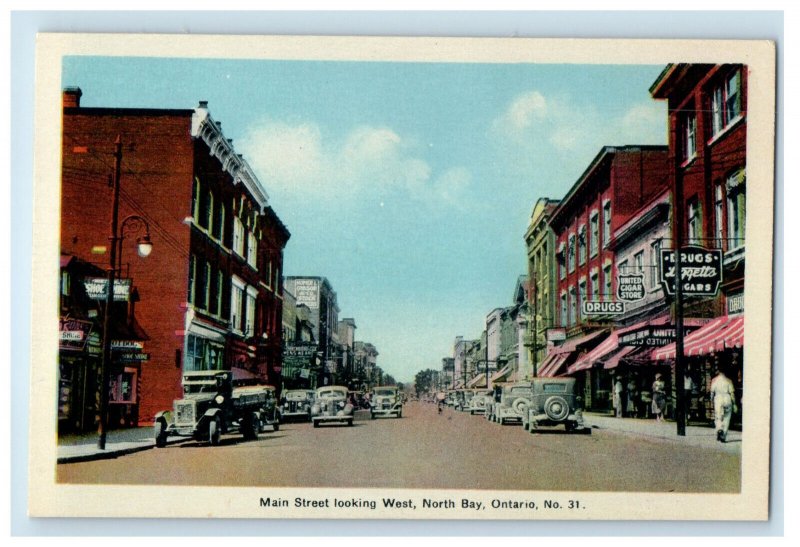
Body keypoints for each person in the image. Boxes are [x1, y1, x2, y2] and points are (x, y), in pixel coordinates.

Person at [710, 367, 737, 442]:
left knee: (718, 416)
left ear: (718, 371)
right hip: (727, 398)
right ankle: (724, 434)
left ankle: (719, 429)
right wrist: (734, 404)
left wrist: (711, 400)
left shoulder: (714, 380)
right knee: (727, 417)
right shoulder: (729, 381)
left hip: (718, 398)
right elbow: (732, 393)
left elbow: (712, 392)